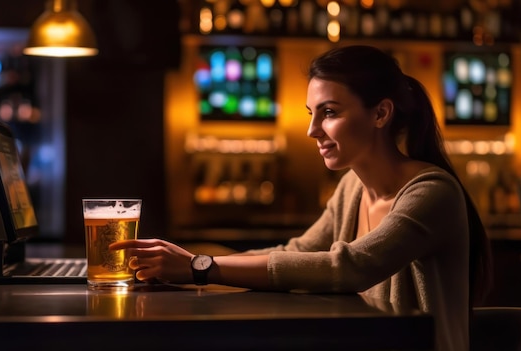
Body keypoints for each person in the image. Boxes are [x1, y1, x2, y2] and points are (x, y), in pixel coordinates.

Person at [109, 45, 493, 351]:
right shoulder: (352, 187)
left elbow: (352, 267)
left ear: (381, 114)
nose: (312, 130)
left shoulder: (432, 191)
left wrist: (200, 267)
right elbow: (299, 249)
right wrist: (183, 267)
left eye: (329, 113)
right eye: (312, 113)